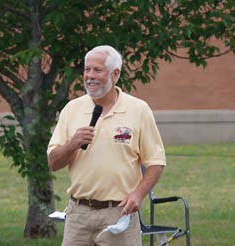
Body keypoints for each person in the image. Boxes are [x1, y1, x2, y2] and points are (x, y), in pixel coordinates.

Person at [47, 45, 166, 246]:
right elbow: (53, 163)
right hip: (78, 214)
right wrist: (72, 144)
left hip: (118, 214)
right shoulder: (72, 109)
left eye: (97, 70)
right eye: (87, 70)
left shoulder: (138, 110)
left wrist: (138, 195)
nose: (90, 76)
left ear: (115, 74)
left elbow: (156, 161)